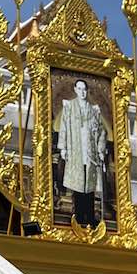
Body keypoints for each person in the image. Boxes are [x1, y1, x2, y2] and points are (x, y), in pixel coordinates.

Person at [57, 79, 108, 227]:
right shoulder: (69, 107)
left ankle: (90, 217)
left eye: (84, 89)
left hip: (90, 152)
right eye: (79, 89)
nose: (82, 92)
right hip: (75, 151)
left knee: (89, 186)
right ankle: (78, 216)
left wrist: (100, 149)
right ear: (75, 89)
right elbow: (64, 127)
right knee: (78, 185)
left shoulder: (94, 110)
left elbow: (101, 131)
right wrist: (63, 147)